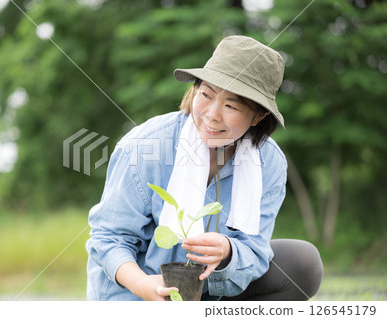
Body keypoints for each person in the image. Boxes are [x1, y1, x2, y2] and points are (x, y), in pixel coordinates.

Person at [86, 35, 323, 301]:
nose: (211, 114)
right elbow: (108, 238)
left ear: (259, 115)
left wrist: (228, 253)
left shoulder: (270, 163)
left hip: (209, 293)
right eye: (206, 95)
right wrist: (142, 284)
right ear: (195, 90)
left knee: (303, 263)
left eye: (231, 105)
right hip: (139, 293)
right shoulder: (145, 146)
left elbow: (255, 250)